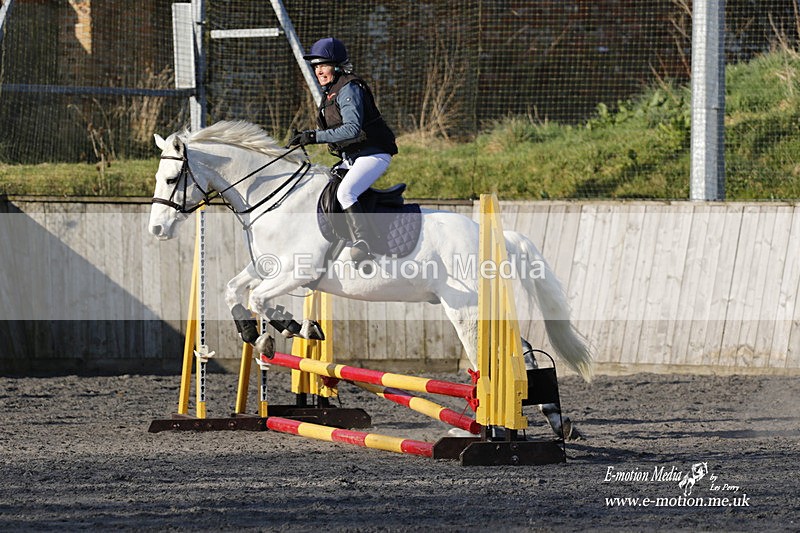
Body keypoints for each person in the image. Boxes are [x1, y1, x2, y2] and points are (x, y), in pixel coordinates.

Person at [289, 37, 398, 263]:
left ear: (338, 66)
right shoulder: (331, 92)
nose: (318, 70)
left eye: (323, 65)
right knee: (326, 187)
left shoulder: (349, 88)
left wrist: (313, 136)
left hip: (373, 153)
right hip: (353, 157)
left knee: (345, 192)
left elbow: (351, 129)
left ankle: (364, 242)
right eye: (316, 66)